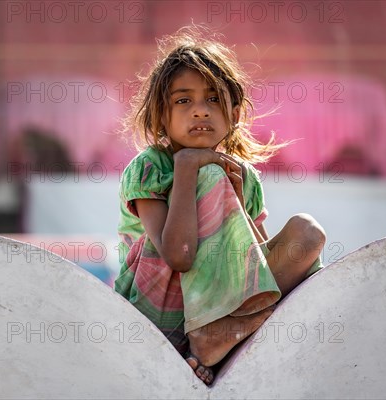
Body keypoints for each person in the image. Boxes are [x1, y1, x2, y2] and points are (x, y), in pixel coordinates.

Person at [115, 26, 326, 386]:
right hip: (159, 314)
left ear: (234, 111)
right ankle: (205, 338)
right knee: (210, 177)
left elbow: (255, 267)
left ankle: (216, 337)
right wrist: (187, 167)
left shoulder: (245, 176)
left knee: (307, 232)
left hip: (226, 311)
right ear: (161, 116)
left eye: (213, 99)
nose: (200, 111)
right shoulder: (150, 166)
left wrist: (238, 199)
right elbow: (178, 255)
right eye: (183, 101)